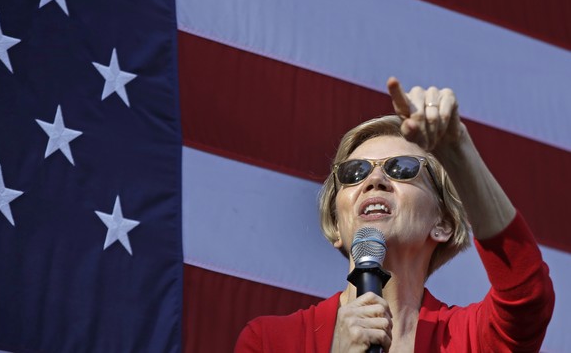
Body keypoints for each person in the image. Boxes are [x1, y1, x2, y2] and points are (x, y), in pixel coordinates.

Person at [234, 77, 555, 352]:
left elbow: (527, 296)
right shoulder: (270, 341)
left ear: (442, 223)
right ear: (335, 225)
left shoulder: (468, 338)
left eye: (402, 169)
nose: (374, 180)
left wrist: (458, 150)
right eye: (354, 172)